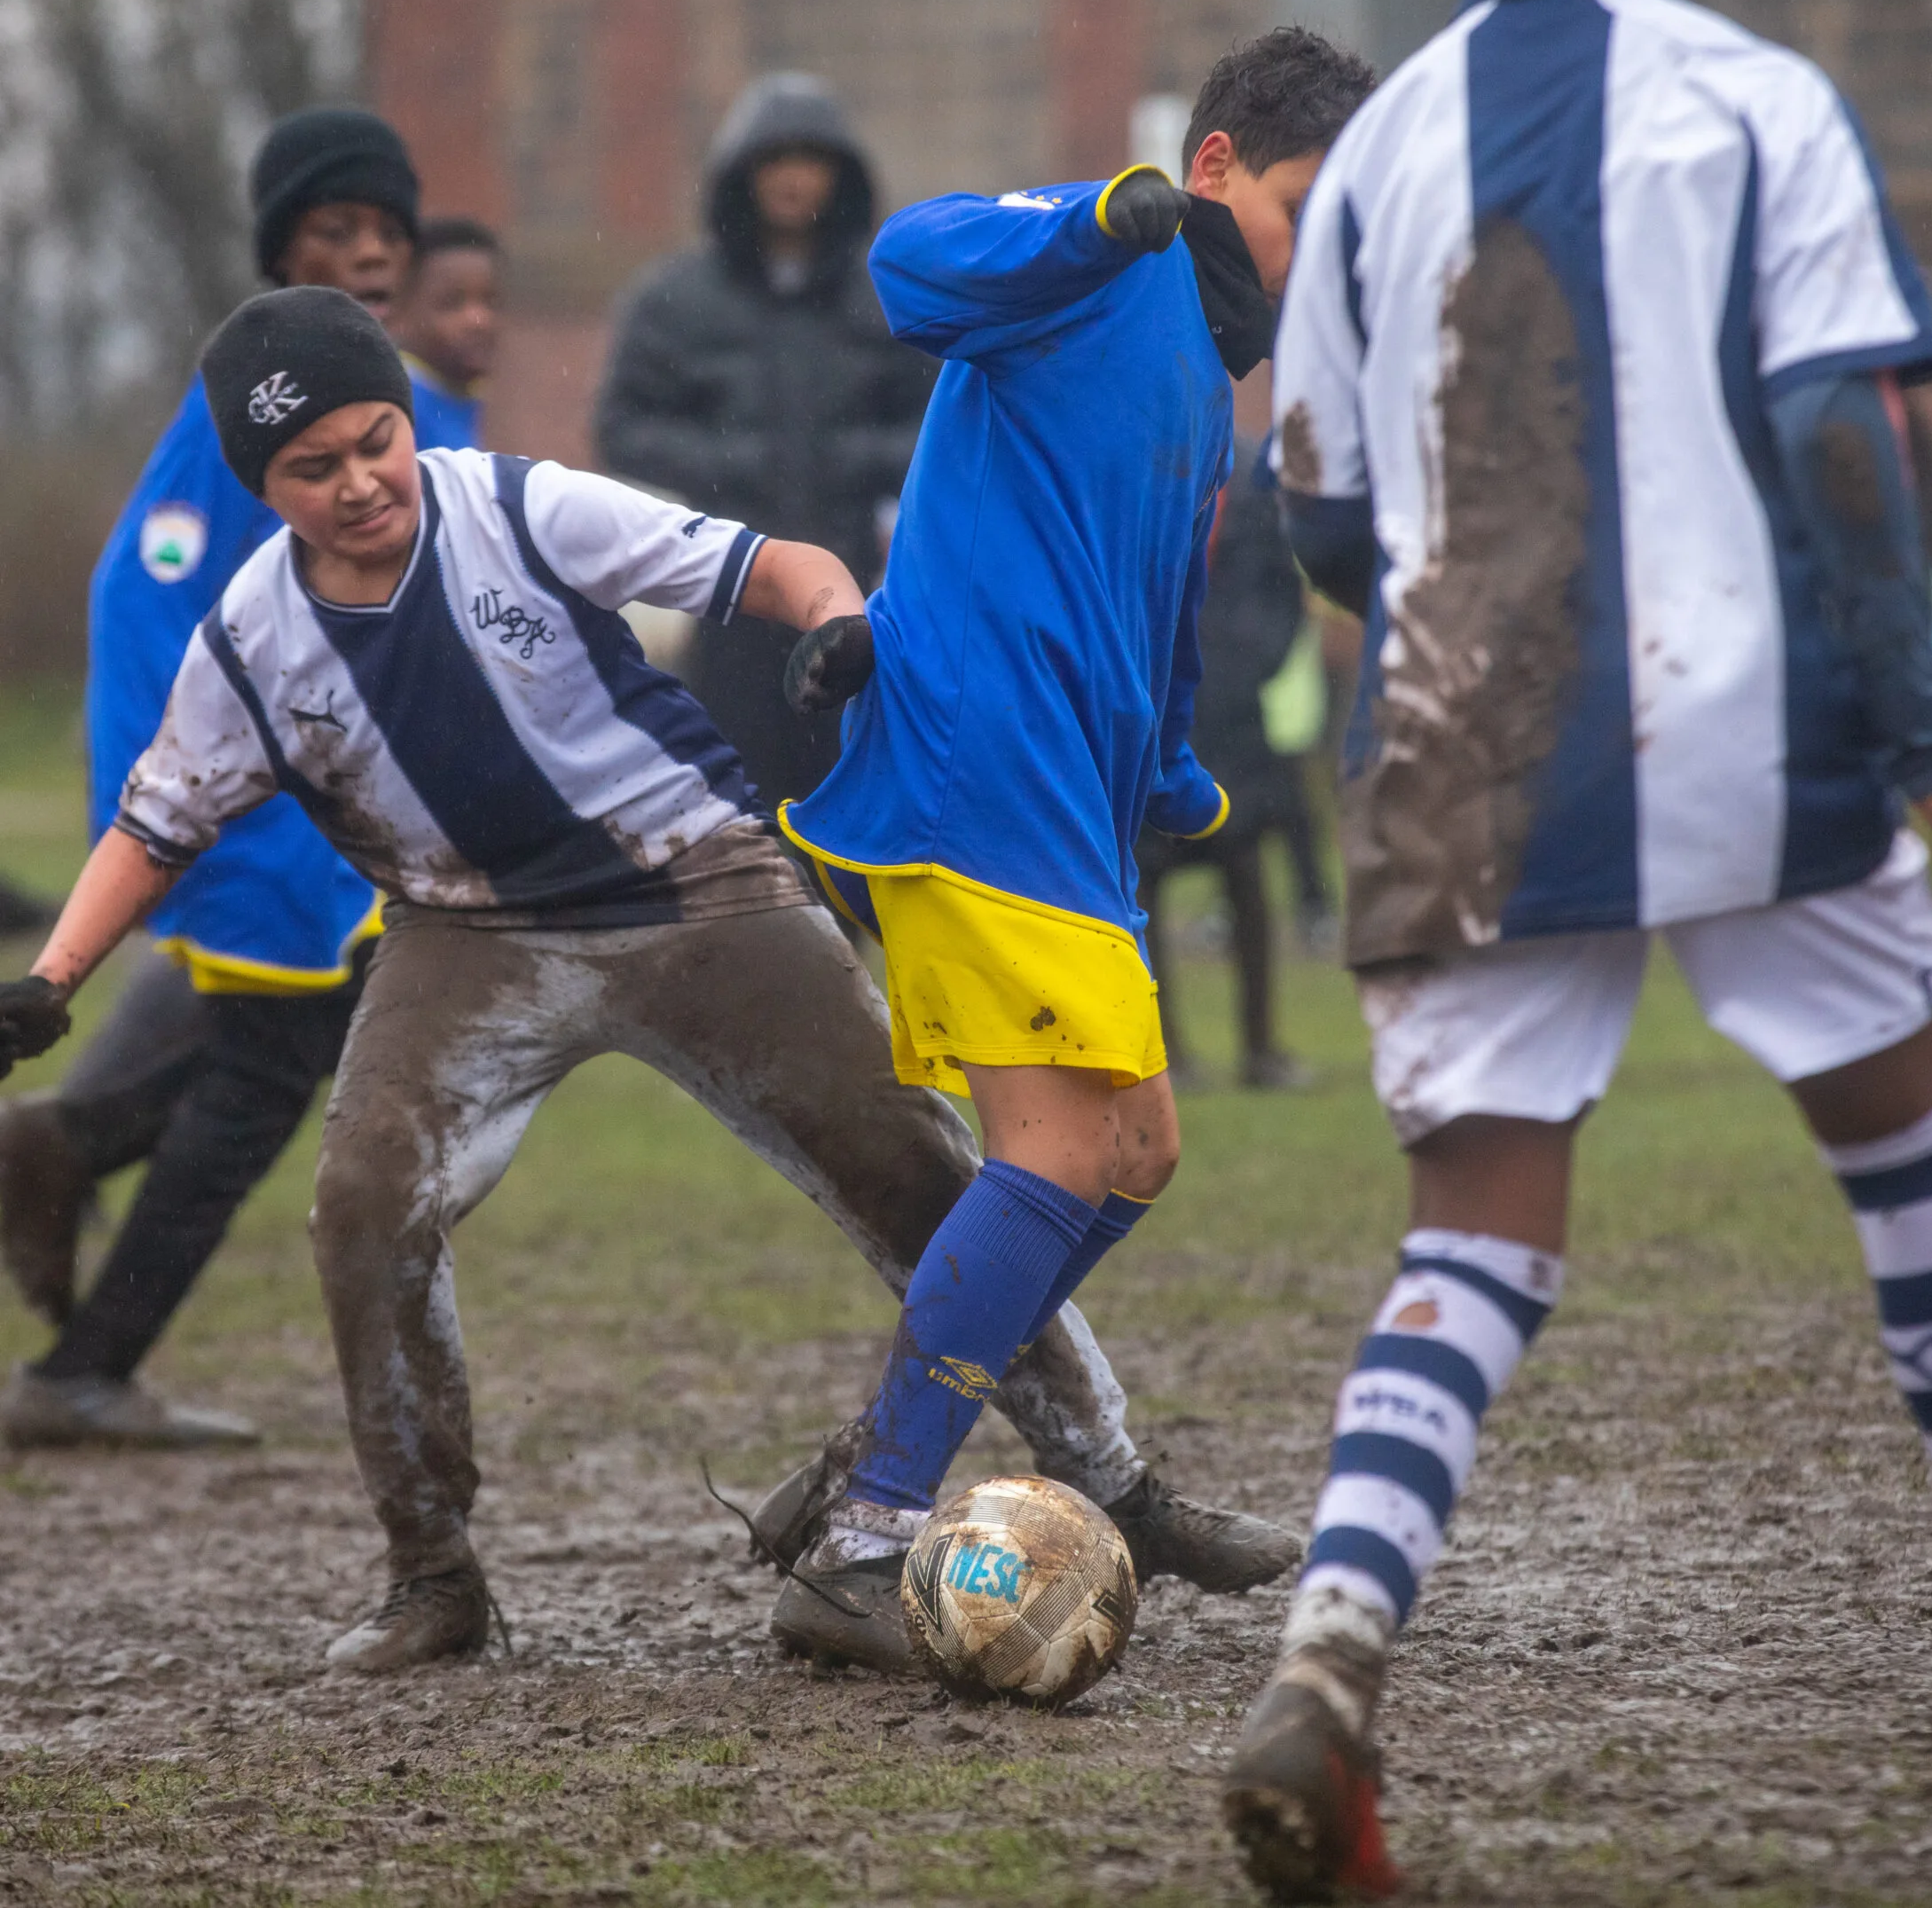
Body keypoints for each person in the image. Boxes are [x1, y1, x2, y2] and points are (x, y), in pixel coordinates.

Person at [1221, 0, 1932, 1895]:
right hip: (1747, 726)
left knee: (1470, 1237)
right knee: (1914, 1164)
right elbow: (1835, 437)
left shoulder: (1382, 141)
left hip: (1462, 753)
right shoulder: (1760, 101)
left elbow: (1314, 515)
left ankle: (1325, 1656)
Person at [0, 286, 1303, 1673]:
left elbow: (763, 561)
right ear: (263, 488)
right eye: (309, 470)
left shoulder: (517, 508)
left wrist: (839, 626)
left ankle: (1120, 1488)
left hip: (700, 886)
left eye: (372, 439)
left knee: (919, 1171)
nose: (357, 482)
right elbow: (159, 820)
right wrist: (54, 976)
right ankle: (432, 1576)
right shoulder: (250, 639)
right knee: (362, 1206)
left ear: (402, 420)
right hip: (465, 938)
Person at [765, 27, 1374, 1675]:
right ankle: (867, 1535)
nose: (1329, 246)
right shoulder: (1101, 261)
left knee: (1142, 1147)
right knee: (1052, 1159)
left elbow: (1156, 602)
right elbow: (906, 262)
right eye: (1313, 202)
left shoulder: (1219, 385)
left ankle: (879, 1442)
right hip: (975, 760)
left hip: (1072, 799)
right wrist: (1101, 216)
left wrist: (1172, 765)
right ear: (1220, 167)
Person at [0, 106, 442, 1450]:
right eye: (329, 233)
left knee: (265, 1067)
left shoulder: (332, 391)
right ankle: (79, 1321)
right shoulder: (257, 413)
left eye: (382, 232)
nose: (363, 254)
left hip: (301, 824)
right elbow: (159, 605)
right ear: (279, 247)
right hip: (255, 824)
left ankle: (69, 1190)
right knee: (260, 1086)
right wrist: (204, 797)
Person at [593, 75, 934, 811]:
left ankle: (843, 922)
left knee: (851, 782)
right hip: (726, 586)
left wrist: (853, 461)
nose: (792, 178)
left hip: (855, 587)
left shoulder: (885, 297)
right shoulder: (677, 299)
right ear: (742, 174)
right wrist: (730, 465)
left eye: (812, 159)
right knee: (738, 790)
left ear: (840, 177)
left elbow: (943, 426)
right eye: (774, 159)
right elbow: (622, 427)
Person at [1136, 439, 1314, 1088]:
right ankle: (1166, 1054)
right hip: (1153, 715)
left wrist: (1245, 668)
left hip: (1235, 720)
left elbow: (1285, 596)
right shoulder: (1140, 483)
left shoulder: (1253, 496)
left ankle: (1261, 1048)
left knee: (1245, 870)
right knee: (1142, 884)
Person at [390, 216, 502, 449]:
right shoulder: (395, 408)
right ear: (401, 308)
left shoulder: (467, 399)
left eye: (491, 301)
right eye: (452, 303)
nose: (478, 321)